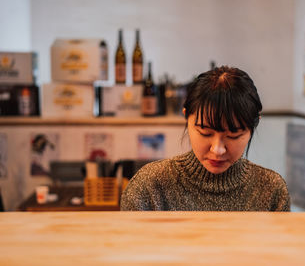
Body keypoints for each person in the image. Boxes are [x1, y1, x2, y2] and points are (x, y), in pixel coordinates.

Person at [120, 66, 290, 211]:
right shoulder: (149, 188)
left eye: (233, 136)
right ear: (186, 117)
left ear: (254, 125)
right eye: (205, 133)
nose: (217, 149)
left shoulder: (272, 190)